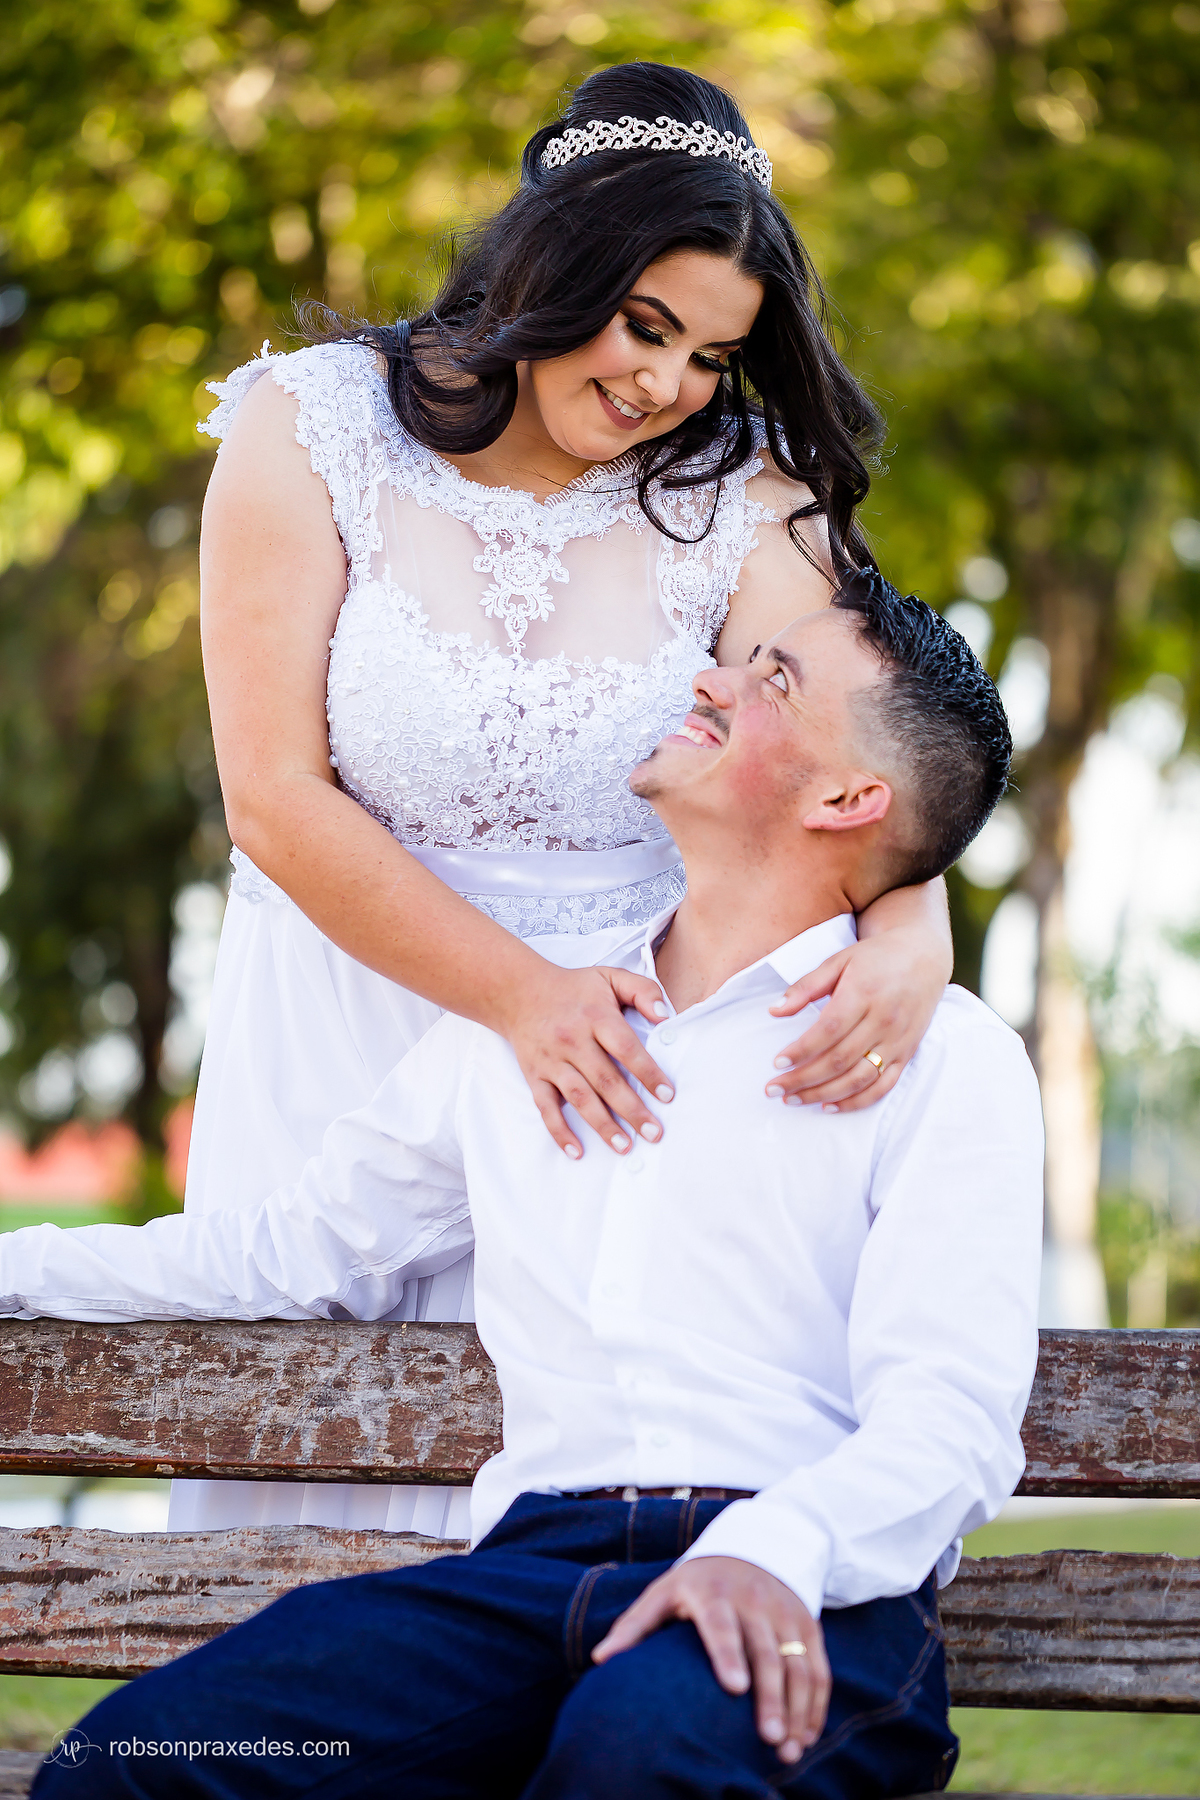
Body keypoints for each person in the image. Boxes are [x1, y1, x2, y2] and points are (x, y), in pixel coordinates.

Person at [19, 574, 1044, 1800]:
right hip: (525, 1581)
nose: (710, 676)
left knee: (637, 1756)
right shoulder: (532, 1028)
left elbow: (952, 1422)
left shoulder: (939, 1056)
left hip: (813, 1589)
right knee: (131, 1767)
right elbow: (279, 1254)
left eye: (773, 679)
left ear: (849, 797)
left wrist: (774, 1550)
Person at [184, 60, 955, 1540]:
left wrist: (912, 924)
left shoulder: (742, 491)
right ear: (553, 265)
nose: (664, 386)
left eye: (711, 356)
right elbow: (272, 797)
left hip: (618, 1068)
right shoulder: (309, 426)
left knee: (561, 1484)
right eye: (645, 323)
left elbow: (854, 754)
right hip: (343, 1018)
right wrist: (523, 999)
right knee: (298, 1492)